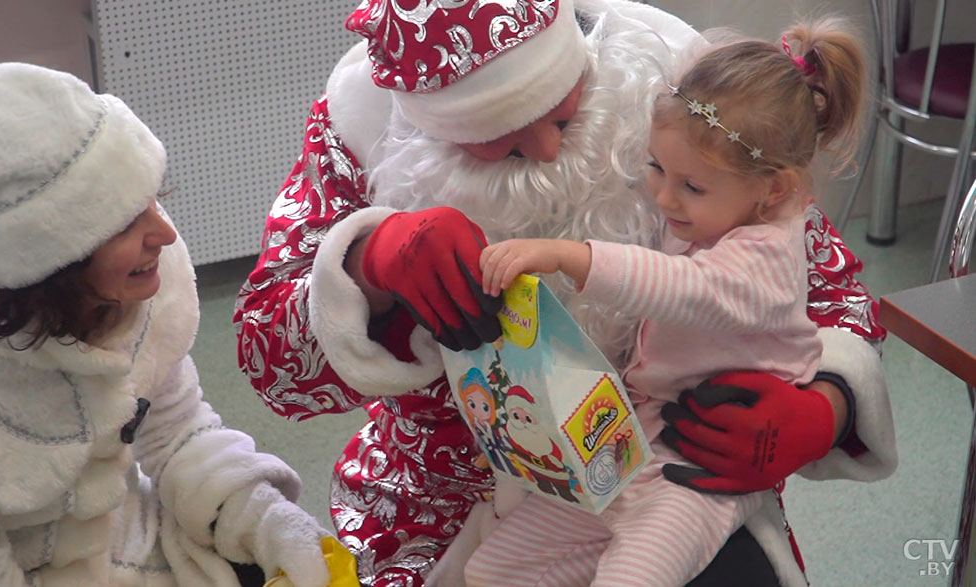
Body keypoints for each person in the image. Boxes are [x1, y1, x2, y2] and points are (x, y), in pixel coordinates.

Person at [234, 1, 897, 585]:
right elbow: (269, 360)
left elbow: (830, 291)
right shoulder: (359, 125)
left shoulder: (685, 90)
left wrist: (826, 407)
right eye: (504, 139)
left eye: (559, 108)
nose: (547, 148)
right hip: (441, 496)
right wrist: (367, 265)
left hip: (676, 458)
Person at [466, 18, 864, 586]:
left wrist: (571, 256)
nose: (662, 196)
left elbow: (684, 288)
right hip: (633, 443)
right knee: (493, 571)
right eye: (655, 167)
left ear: (773, 189)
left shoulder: (769, 256)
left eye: (690, 185)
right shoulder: (719, 204)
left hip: (699, 470)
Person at [0, 62, 340, 587]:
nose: (163, 233)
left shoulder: (142, 288)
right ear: (49, 263)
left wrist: (266, 520)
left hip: (129, 540)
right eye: (122, 223)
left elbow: (177, 432)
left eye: (151, 200)